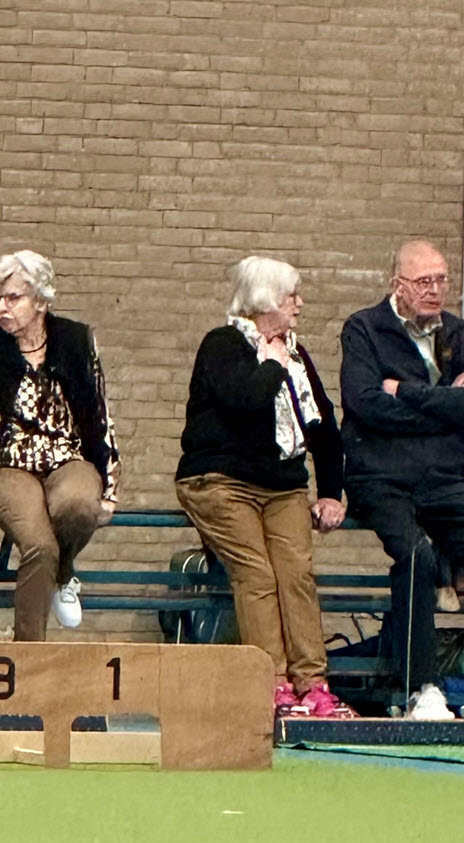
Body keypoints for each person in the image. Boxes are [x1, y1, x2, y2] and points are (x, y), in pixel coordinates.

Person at [340, 238, 464, 720]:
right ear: (397, 284)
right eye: (423, 282)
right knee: (416, 555)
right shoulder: (364, 329)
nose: (435, 290)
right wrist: (443, 404)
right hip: (381, 477)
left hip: (444, 478)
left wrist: (405, 392)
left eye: (441, 280)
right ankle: (422, 688)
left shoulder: (457, 332)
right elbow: (366, 405)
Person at [175, 256, 357, 719]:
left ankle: (313, 684)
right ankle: (271, 684)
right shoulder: (223, 345)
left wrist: (330, 492)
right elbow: (244, 400)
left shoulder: (297, 355)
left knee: (296, 574)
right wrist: (273, 366)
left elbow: (323, 427)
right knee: (256, 575)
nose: (299, 304)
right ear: (263, 301)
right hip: (220, 480)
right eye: (290, 296)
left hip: (282, 485)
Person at [0, 251, 120, 641]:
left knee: (80, 506)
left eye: (13, 298)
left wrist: (109, 486)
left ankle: (63, 574)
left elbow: (100, 415)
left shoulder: (77, 341)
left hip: (67, 457)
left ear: (41, 301)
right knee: (40, 547)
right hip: (6, 463)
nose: (2, 307)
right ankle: (27, 652)